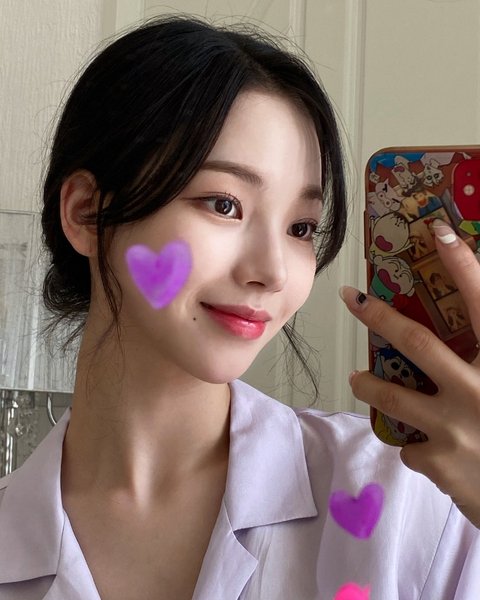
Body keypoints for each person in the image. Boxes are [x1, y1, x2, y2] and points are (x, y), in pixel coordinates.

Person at [0, 15, 479, 600]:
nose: (273, 271)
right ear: (86, 212)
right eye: (224, 204)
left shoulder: (411, 495)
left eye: (301, 227)